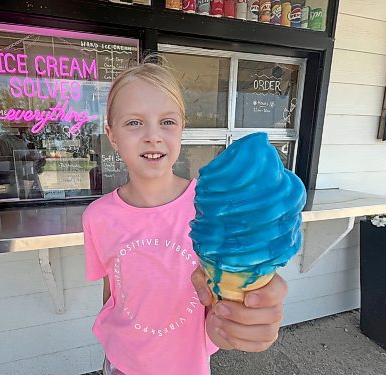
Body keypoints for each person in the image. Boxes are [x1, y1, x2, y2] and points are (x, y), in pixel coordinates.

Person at [82, 62, 288, 375]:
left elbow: (217, 308)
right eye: (134, 122)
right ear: (112, 135)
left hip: (187, 365)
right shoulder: (97, 218)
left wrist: (235, 323)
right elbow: (113, 291)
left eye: (167, 121)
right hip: (121, 364)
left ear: (182, 129)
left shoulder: (211, 210)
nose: (153, 136)